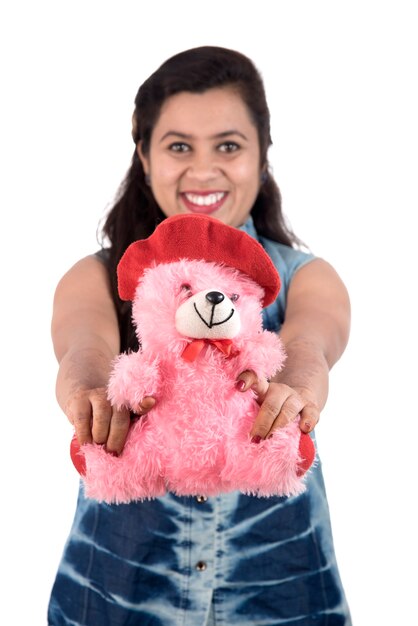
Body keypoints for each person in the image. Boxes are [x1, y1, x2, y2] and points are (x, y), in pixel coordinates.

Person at [48, 46, 352, 625]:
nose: (204, 169)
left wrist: (298, 379)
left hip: (280, 592)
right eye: (179, 146)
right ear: (144, 154)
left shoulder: (305, 277)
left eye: (229, 146)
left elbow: (315, 337)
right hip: (119, 590)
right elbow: (83, 343)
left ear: (262, 155)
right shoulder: (100, 276)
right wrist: (88, 387)